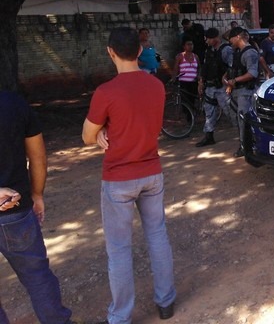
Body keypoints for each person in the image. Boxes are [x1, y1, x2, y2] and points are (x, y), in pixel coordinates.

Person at [82, 27, 176, 323]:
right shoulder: (156, 86)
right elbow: (146, 122)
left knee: (119, 249)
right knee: (157, 235)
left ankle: (121, 316)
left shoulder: (105, 92)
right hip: (151, 172)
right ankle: (166, 302)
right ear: (139, 51)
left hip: (118, 179)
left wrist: (101, 134)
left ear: (110, 52)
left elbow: (87, 136)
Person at [0, 91, 74, 324]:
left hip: (13, 206)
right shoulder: (13, 103)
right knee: (37, 276)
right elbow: (38, 156)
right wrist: (37, 194)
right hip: (16, 210)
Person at [196, 28, 237, 147]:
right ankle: (209, 136)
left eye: (208, 39)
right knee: (209, 112)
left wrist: (229, 84)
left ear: (215, 38)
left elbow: (232, 68)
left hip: (222, 88)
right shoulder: (209, 51)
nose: (206, 41)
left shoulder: (226, 50)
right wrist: (201, 82)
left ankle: (244, 136)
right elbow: (205, 68)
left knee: (230, 112)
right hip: (210, 87)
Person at [223, 27, 260, 158]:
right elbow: (234, 68)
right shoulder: (238, 51)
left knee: (244, 121)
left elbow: (252, 73)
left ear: (238, 37)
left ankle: (247, 147)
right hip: (238, 92)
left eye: (231, 38)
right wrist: (227, 78)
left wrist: (235, 80)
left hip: (246, 92)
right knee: (239, 121)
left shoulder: (250, 53)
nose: (230, 42)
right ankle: (245, 145)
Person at [173, 38, 200, 111]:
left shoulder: (196, 57)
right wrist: (174, 78)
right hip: (183, 82)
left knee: (192, 99)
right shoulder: (179, 56)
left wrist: (199, 76)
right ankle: (188, 114)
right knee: (185, 99)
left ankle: (192, 115)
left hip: (193, 82)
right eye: (188, 44)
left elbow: (199, 68)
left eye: (191, 44)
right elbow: (175, 69)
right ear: (184, 46)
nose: (190, 46)